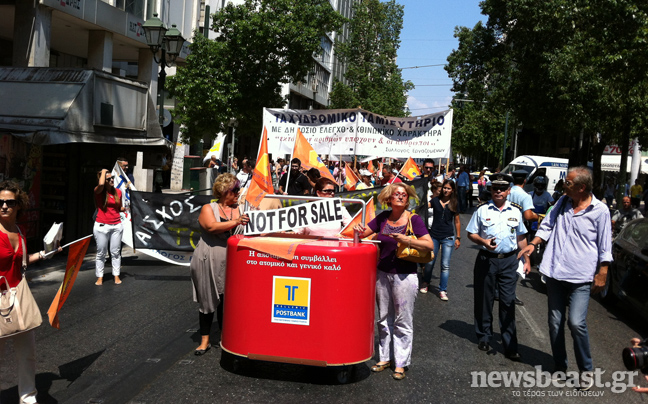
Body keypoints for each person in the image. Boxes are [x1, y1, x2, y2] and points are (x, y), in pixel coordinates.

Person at [518, 167, 612, 391]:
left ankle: (586, 370)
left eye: (568, 183)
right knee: (555, 322)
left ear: (581, 187)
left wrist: (603, 272)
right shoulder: (562, 203)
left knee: (576, 322)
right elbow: (547, 226)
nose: (563, 185)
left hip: (581, 276)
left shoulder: (600, 211)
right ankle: (560, 364)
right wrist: (533, 244)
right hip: (555, 273)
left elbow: (605, 244)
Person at [354, 183, 434, 380]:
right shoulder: (383, 217)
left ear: (407, 200)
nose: (400, 197)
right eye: (396, 194)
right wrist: (358, 229)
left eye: (404, 195)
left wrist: (406, 240)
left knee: (402, 320)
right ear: (389, 198)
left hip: (405, 275)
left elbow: (429, 244)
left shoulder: (414, 219)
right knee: (383, 318)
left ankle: (400, 362)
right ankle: (384, 358)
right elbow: (362, 234)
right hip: (382, 274)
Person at [0, 180, 61, 404]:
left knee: (28, 353)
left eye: (9, 202)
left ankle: (28, 397)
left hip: (19, 296)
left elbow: (22, 260)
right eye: (0, 202)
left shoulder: (20, 231)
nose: (4, 206)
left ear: (18, 205)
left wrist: (45, 254)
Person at [466, 173, 530, 361]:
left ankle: (510, 345)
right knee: (484, 299)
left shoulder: (516, 211)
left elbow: (521, 237)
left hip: (509, 261)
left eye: (503, 188)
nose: (499, 191)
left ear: (509, 191)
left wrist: (527, 259)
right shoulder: (482, 210)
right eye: (495, 188)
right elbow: (471, 233)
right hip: (487, 259)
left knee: (508, 301)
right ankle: (484, 336)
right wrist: (483, 242)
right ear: (491, 190)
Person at [190, 174, 249, 355]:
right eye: (235, 190)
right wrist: (236, 222)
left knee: (228, 301)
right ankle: (205, 340)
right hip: (208, 259)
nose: (238, 193)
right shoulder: (209, 208)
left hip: (233, 261)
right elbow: (211, 227)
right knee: (207, 300)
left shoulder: (242, 209)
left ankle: (227, 338)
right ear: (224, 191)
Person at [420, 180, 461, 300]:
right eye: (444, 188)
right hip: (434, 235)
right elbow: (423, 207)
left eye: (448, 188)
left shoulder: (454, 203)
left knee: (445, 265)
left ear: (452, 190)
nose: (446, 190)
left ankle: (443, 290)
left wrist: (458, 237)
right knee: (430, 261)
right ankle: (426, 282)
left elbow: (457, 221)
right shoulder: (435, 201)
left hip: (448, 237)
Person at [94, 169, 125, 286]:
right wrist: (103, 171)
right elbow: (101, 184)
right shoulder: (99, 191)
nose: (112, 180)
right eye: (109, 179)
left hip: (116, 225)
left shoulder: (118, 192)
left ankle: (116, 275)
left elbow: (119, 208)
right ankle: (100, 277)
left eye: (112, 178)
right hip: (102, 226)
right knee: (101, 252)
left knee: (115, 252)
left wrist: (127, 208)